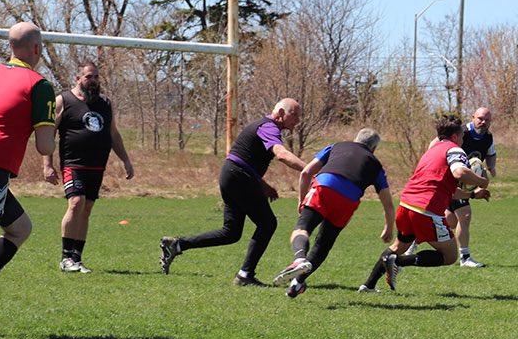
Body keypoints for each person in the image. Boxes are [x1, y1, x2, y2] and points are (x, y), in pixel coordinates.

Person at [161, 99, 304, 286]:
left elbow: (245, 158)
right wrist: (310, 169)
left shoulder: (263, 126)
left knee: (231, 233)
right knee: (267, 224)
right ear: (280, 113)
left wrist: (263, 185)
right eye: (295, 115)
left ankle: (177, 244)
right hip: (238, 177)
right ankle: (245, 275)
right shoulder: (269, 127)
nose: (298, 120)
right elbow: (282, 155)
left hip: (232, 175)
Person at [0, 21, 56, 329]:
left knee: (20, 228)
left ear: (9, 47)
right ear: (37, 49)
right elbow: (44, 145)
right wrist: (55, 120)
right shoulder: (40, 85)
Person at [360, 115, 490, 292]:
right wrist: (482, 181)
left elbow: (447, 191)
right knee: (450, 255)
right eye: (461, 136)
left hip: (406, 204)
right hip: (425, 209)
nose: (463, 139)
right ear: (454, 137)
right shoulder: (454, 150)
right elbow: (459, 172)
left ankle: (368, 285)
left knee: (398, 246)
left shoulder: (433, 151)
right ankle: (397, 262)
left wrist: (473, 195)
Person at [272, 128, 394, 298]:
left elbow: (306, 172)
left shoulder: (337, 146)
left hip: (325, 185)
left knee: (302, 228)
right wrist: (389, 227)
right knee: (323, 244)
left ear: (355, 138)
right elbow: (388, 203)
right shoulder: (376, 165)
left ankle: (299, 259)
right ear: (373, 149)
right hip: (349, 200)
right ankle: (297, 283)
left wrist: (302, 199)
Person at [42, 60, 134, 274]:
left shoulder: (105, 103)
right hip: (73, 164)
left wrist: (126, 160)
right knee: (76, 202)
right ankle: (65, 258)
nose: (92, 81)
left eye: (95, 77)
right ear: (78, 78)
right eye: (88, 77)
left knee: (86, 210)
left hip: (96, 166)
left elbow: (114, 135)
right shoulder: (63, 100)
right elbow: (48, 133)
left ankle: (77, 258)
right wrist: (47, 164)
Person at [450, 107, 497, 268]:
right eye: (480, 118)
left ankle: (465, 258)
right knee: (458, 216)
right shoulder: (462, 132)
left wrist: (491, 167)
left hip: (465, 182)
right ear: (472, 117)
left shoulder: (488, 137)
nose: (483, 122)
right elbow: (440, 145)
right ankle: (413, 240)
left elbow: (491, 154)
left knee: (457, 218)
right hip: (450, 180)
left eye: (487, 120)